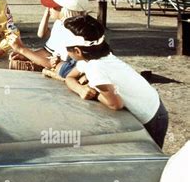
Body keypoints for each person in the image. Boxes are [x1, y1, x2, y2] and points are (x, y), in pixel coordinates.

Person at [62, 14, 168, 148]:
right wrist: (80, 89)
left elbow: (115, 104)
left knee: (150, 160)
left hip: (152, 116)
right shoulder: (95, 56)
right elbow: (70, 77)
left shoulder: (96, 68)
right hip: (153, 104)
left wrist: (96, 93)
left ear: (77, 51)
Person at [9, 0, 89, 77]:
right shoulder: (60, 23)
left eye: (52, 6)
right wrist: (28, 56)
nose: (49, 8)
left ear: (64, 9)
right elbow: (47, 52)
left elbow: (52, 64)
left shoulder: (74, 32)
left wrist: (22, 49)